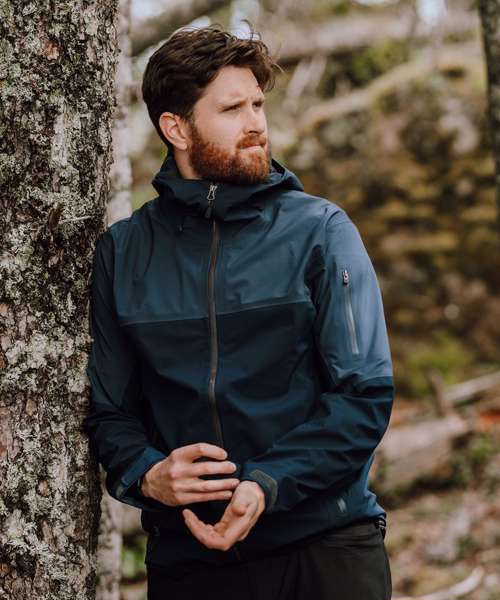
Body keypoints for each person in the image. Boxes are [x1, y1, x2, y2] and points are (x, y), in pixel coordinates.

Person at [83, 23, 394, 600]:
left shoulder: (321, 232)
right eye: (232, 109)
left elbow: (364, 395)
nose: (255, 124)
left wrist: (267, 483)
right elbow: (110, 413)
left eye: (257, 104)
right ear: (175, 128)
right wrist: (148, 474)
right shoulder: (124, 253)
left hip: (324, 549)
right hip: (191, 562)